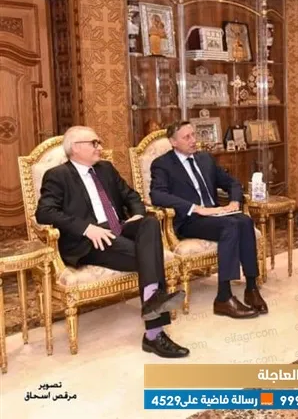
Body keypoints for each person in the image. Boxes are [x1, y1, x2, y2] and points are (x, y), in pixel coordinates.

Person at [35, 126, 189, 358]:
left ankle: (152, 302)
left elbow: (131, 196)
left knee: (148, 223)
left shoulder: (105, 169)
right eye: (94, 143)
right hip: (90, 241)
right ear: (75, 148)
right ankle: (154, 333)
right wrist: (87, 228)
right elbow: (44, 212)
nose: (100, 147)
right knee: (150, 255)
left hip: (119, 227)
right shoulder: (58, 175)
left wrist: (137, 214)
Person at [149, 121, 268, 319]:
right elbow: (157, 195)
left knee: (244, 221)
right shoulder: (162, 164)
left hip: (215, 214)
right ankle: (224, 297)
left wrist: (234, 202)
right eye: (187, 137)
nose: (193, 140)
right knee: (231, 226)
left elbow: (232, 182)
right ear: (173, 142)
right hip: (189, 220)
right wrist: (196, 208)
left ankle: (251, 287)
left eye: (193, 135)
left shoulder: (205, 158)